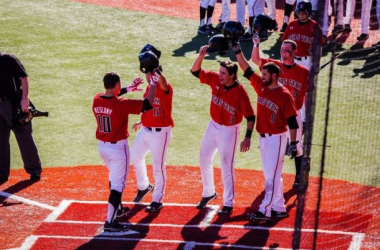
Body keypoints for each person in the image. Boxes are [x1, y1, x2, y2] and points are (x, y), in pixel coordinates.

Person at [233, 44, 299, 221]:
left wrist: (293, 144)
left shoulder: (284, 95)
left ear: (274, 76)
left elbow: (293, 122)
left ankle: (265, 210)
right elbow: (246, 70)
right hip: (262, 139)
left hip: (276, 140)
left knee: (271, 177)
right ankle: (278, 207)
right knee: (272, 175)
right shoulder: (261, 86)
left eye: (265, 74)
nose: (261, 77)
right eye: (261, 74)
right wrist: (238, 51)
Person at [190, 46, 255, 215]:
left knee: (227, 166)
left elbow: (250, 116)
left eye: (223, 73)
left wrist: (247, 137)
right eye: (220, 72)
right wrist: (201, 55)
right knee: (204, 159)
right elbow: (195, 71)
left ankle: (228, 202)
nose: (220, 75)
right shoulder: (214, 79)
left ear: (232, 76)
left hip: (229, 131)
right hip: (213, 126)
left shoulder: (240, 93)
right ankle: (209, 192)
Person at [93, 71, 157, 232]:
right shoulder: (121, 104)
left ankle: (118, 209)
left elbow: (111, 96)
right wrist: (154, 85)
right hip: (118, 149)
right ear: (117, 86)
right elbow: (147, 104)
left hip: (103, 148)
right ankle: (110, 222)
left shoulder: (97, 99)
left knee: (113, 177)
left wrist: (128, 89)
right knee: (117, 186)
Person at [251, 37, 309, 188]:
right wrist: (256, 44)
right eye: (282, 50)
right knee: (277, 144)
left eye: (287, 50)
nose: (283, 53)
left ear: (294, 52)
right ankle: (276, 175)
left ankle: (299, 175)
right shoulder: (274, 67)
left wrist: (306, 116)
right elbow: (255, 59)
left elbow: (308, 95)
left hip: (294, 112)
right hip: (275, 112)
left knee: (297, 146)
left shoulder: (303, 72)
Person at [130, 65, 174, 212]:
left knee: (158, 166)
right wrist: (141, 122)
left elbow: (164, 84)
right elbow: (150, 109)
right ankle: (144, 186)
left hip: (160, 133)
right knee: (135, 156)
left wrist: (158, 74)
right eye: (148, 73)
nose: (149, 76)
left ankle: (157, 199)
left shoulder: (164, 87)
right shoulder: (150, 88)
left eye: (151, 73)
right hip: (146, 129)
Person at [0, 52, 42, 184]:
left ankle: (34, 170)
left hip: (14, 102)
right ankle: (2, 173)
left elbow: (24, 77)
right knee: (0, 140)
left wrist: (25, 99)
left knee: (24, 136)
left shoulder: (8, 59)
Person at [281, 0, 324, 71]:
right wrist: (282, 57)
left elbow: (318, 47)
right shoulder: (292, 24)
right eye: (299, 12)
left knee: (307, 82)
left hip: (307, 61)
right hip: (292, 59)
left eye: (304, 12)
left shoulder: (315, 26)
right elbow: (284, 43)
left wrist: (316, 63)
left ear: (309, 13)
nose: (301, 14)